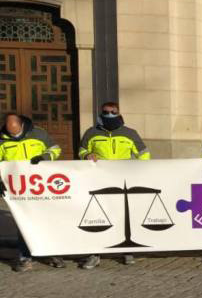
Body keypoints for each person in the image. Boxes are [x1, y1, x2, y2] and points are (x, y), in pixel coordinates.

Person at [78, 101, 150, 269]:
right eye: (106, 111)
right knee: (98, 217)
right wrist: (87, 154)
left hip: (123, 181)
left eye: (113, 111)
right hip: (99, 180)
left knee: (123, 215)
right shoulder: (91, 132)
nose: (109, 114)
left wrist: (134, 168)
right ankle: (95, 253)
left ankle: (127, 251)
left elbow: (144, 154)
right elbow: (81, 150)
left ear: (119, 113)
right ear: (100, 113)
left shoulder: (130, 133)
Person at [0, 113, 65, 271]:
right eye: (11, 133)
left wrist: (45, 156)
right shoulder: (2, 139)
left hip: (42, 185)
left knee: (46, 220)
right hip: (19, 188)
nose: (13, 135)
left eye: (16, 131)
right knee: (24, 222)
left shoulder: (39, 133)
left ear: (21, 125)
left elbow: (55, 149)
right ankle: (25, 257)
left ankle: (53, 253)